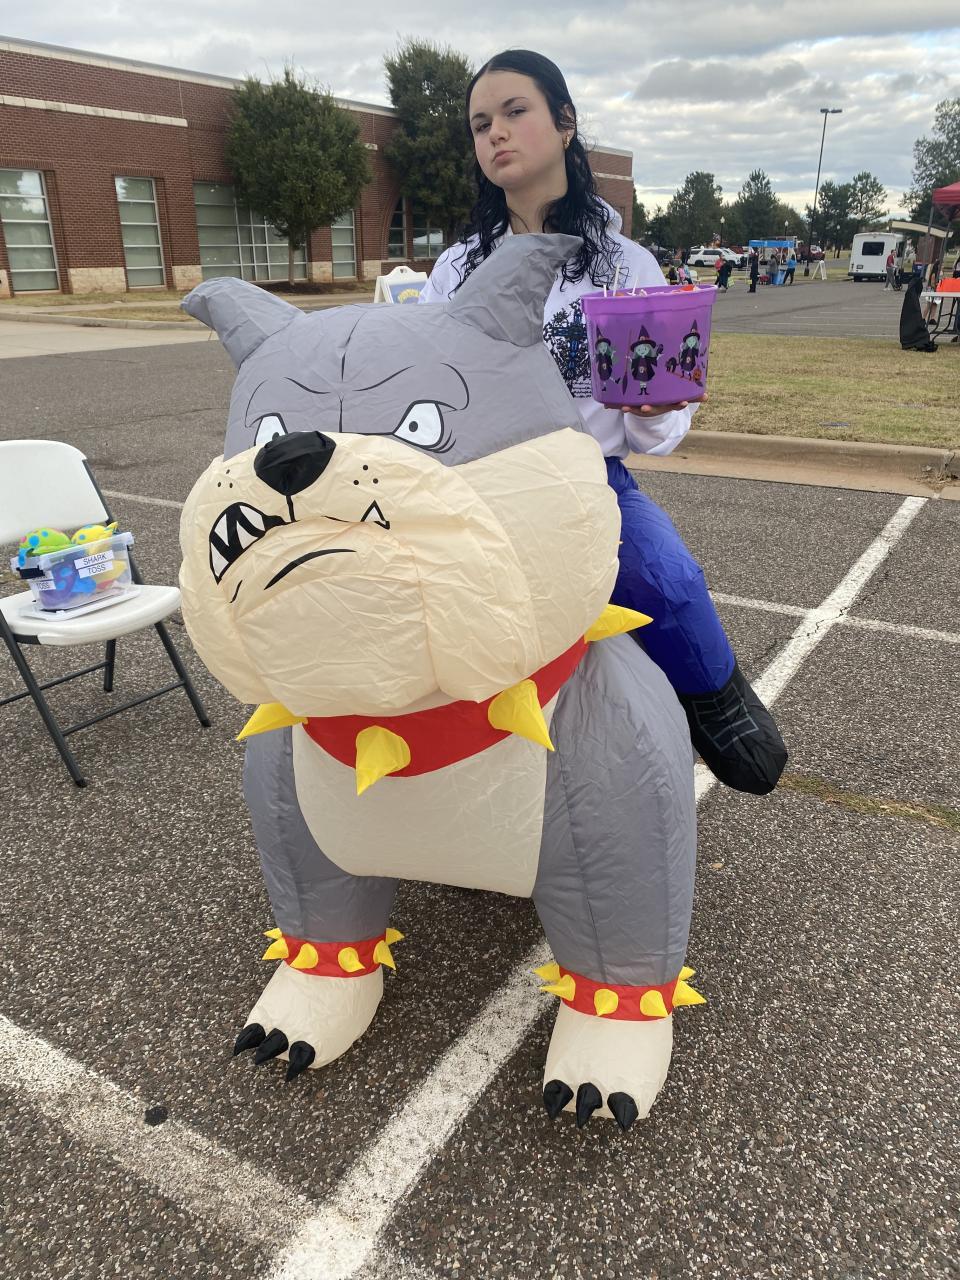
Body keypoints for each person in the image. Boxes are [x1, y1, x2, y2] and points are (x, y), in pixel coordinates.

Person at [419, 48, 786, 794]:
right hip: (471, 492)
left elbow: (656, 428)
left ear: (564, 124)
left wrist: (653, 413)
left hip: (586, 484)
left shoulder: (624, 266)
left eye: (515, 112)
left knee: (667, 577)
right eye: (481, 124)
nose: (496, 134)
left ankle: (717, 699)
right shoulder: (454, 271)